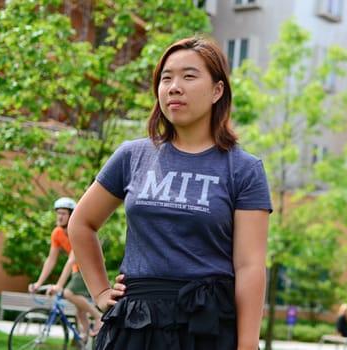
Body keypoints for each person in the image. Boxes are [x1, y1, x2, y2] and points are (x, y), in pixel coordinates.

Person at [68, 36, 272, 350]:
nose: (174, 87)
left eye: (189, 76)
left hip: (207, 325)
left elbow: (250, 265)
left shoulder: (243, 169)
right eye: (166, 78)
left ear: (217, 90)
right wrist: (99, 292)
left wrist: (247, 343)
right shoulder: (132, 155)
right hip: (135, 324)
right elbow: (81, 223)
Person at [29, 197, 102, 339]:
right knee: (80, 309)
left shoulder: (78, 230)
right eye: (58, 213)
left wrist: (59, 286)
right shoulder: (57, 233)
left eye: (63, 213)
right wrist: (38, 283)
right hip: (77, 268)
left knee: (69, 293)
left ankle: (99, 317)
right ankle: (85, 338)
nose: (60, 216)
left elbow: (71, 260)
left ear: (71, 215)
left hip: (90, 266)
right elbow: (51, 260)